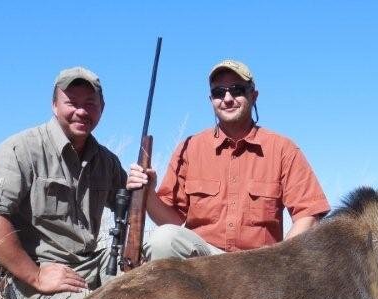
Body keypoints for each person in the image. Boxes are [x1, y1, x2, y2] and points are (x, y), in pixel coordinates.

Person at [0, 67, 127, 299]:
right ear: (54, 105)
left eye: (90, 103)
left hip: (90, 264)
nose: (81, 111)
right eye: (72, 102)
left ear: (102, 108)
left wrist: (143, 184)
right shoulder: (22, 148)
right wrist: (36, 276)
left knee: (156, 281)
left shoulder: (107, 161)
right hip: (39, 271)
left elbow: (131, 206)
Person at [127, 59, 330, 258]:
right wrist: (149, 194)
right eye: (218, 92)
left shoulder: (283, 148)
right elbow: (169, 222)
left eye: (237, 90)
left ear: (254, 95)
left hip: (257, 267)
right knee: (162, 239)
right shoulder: (189, 148)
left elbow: (309, 214)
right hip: (203, 265)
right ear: (211, 100)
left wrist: (279, 261)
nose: (227, 98)